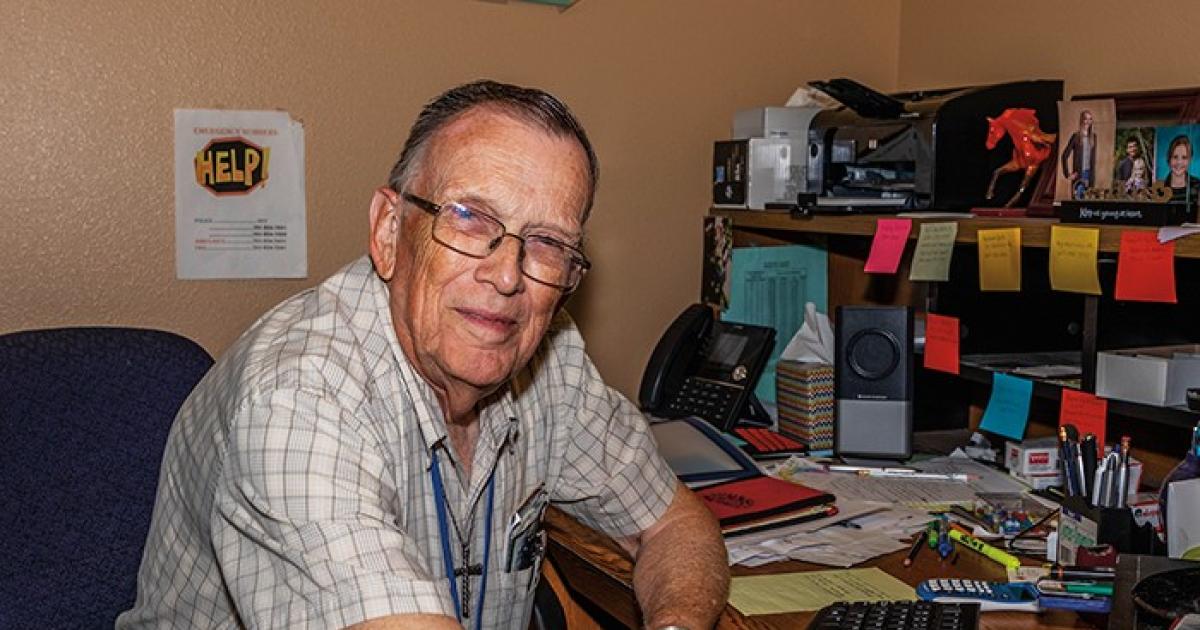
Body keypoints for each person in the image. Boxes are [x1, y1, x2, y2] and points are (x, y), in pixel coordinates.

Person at [117, 80, 729, 630]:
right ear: (389, 231)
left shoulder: (550, 358)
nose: (507, 275)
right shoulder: (297, 397)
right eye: (469, 219)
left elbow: (674, 524)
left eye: (546, 244)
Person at [1060, 109, 1097, 199]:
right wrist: (1067, 174)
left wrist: (1092, 176)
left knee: (1088, 202)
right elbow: (1064, 156)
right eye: (1085, 119)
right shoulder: (1076, 137)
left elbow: (1093, 159)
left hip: (1089, 175)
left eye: (1090, 119)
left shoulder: (1094, 137)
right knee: (1077, 200)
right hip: (1079, 174)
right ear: (1081, 120)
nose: (1088, 121)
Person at [1161, 134, 1200, 206]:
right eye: (1175, 157)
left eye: (1184, 157)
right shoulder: (1159, 188)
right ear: (1169, 159)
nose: (1179, 162)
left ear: (1190, 160)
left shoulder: (1198, 185)